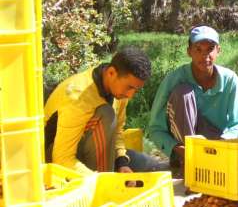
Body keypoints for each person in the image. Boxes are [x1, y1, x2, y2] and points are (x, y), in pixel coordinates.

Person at [45, 46, 165, 175]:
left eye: (135, 90)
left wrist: (121, 162)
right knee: (106, 114)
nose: (130, 95)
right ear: (111, 73)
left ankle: (109, 173)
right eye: (129, 87)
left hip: (92, 154)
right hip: (57, 160)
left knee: (151, 167)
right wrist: (100, 180)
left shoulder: (119, 91)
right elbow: (62, 159)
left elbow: (117, 131)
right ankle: (105, 179)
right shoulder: (78, 96)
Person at [148, 25, 238, 176]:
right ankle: (189, 162)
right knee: (183, 92)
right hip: (185, 146)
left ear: (218, 51)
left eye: (210, 49)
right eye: (198, 49)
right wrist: (178, 148)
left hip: (217, 144)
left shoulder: (230, 79)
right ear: (189, 52)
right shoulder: (174, 79)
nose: (205, 55)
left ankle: (210, 163)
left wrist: (221, 143)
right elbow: (155, 128)